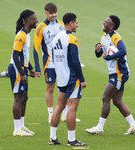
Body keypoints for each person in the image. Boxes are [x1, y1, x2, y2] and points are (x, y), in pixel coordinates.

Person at [86, 15, 135, 135]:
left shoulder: (115, 37)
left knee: (106, 98)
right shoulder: (104, 37)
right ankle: (134, 125)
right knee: (117, 100)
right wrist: (97, 48)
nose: (103, 23)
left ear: (112, 26)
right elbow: (99, 55)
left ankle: (99, 127)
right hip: (114, 73)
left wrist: (109, 57)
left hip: (120, 73)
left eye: (106, 22)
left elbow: (123, 50)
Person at [33, 3, 80, 123]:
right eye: (51, 13)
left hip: (62, 63)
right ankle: (50, 114)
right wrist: (37, 67)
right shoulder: (41, 28)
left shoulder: (61, 25)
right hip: (49, 63)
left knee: (65, 86)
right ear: (46, 13)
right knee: (50, 88)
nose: (53, 15)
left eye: (55, 13)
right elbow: (36, 48)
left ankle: (65, 114)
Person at [49, 12, 87, 146]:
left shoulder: (55, 38)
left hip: (61, 78)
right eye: (76, 22)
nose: (77, 24)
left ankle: (52, 138)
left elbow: (53, 57)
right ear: (70, 23)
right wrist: (82, 79)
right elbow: (75, 61)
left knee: (58, 107)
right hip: (72, 78)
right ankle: (71, 140)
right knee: (72, 108)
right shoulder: (72, 39)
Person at [8, 9, 38, 136]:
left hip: (22, 68)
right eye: (35, 19)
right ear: (28, 21)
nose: (37, 20)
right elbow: (15, 56)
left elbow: (23, 55)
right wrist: (22, 73)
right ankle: (17, 129)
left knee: (25, 98)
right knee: (18, 98)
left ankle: (22, 126)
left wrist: (30, 68)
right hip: (16, 69)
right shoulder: (21, 35)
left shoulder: (27, 34)